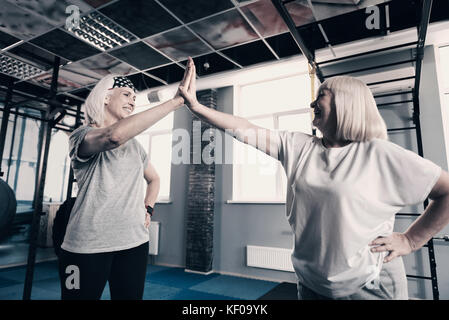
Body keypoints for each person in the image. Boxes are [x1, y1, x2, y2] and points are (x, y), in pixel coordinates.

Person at [178, 57, 449, 300]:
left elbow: (446, 192)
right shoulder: (299, 146)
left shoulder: (379, 153)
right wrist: (197, 108)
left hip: (370, 284)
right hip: (312, 284)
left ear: (346, 103)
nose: (312, 102)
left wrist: (412, 240)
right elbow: (246, 129)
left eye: (321, 95)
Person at [59, 73, 186, 300]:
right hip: (87, 245)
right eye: (126, 94)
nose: (133, 101)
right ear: (105, 98)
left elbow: (154, 179)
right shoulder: (82, 135)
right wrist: (174, 102)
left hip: (133, 243)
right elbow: (113, 136)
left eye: (135, 98)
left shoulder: (135, 146)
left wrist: (148, 208)